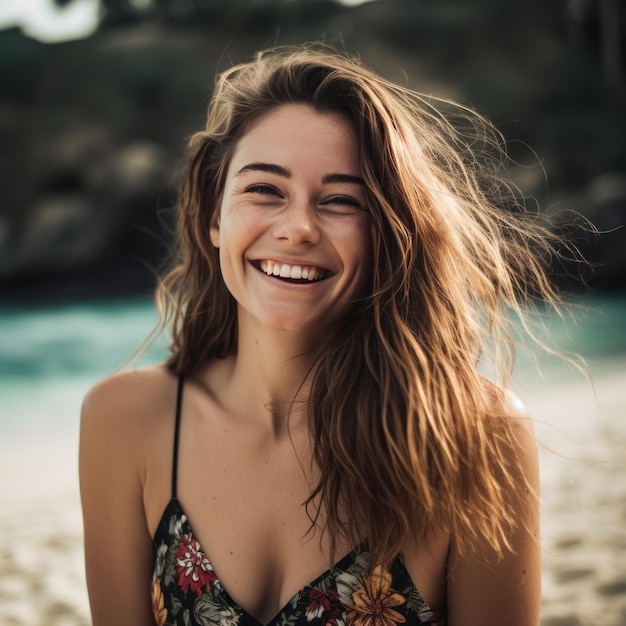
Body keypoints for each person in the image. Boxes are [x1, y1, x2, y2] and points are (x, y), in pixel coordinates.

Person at [79, 44, 557, 626]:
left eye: (339, 201)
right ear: (214, 217)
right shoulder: (125, 421)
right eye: (264, 190)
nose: (299, 227)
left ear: (388, 233)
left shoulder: (475, 436)